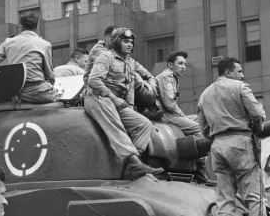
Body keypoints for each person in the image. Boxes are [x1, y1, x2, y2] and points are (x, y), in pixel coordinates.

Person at [197, 57, 270, 216]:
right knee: (254, 196)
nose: (242, 75)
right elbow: (257, 113)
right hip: (241, 142)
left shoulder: (204, 94)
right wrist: (257, 127)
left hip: (218, 146)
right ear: (228, 72)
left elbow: (203, 128)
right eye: (239, 71)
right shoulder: (240, 87)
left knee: (225, 197)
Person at [85, 28, 164, 179]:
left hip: (117, 102)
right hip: (99, 98)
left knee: (144, 124)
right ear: (116, 42)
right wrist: (113, 98)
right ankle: (135, 163)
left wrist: (151, 80)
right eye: (125, 41)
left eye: (131, 42)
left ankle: (132, 166)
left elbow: (147, 74)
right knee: (116, 127)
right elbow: (93, 80)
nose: (129, 45)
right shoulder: (106, 57)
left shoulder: (130, 62)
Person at [155, 50, 214, 186]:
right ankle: (200, 169)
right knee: (202, 131)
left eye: (185, 64)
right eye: (180, 63)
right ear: (170, 64)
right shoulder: (167, 77)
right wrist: (182, 116)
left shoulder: (173, 77)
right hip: (164, 116)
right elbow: (169, 104)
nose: (183, 67)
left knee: (203, 122)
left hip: (170, 114)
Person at [0, 11, 58, 104]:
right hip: (38, 92)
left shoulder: (9, 42)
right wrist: (50, 83)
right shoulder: (44, 44)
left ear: (21, 26)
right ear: (36, 26)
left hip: (14, 92)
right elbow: (49, 74)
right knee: (57, 96)